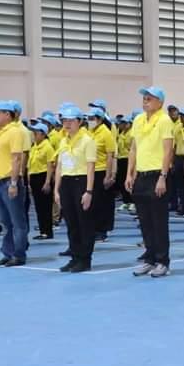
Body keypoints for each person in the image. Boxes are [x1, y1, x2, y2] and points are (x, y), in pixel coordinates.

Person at [128, 87, 175, 278]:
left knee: (158, 221)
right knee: (144, 221)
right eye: (144, 98)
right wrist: (129, 174)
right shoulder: (138, 120)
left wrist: (163, 176)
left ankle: (163, 261)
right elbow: (133, 148)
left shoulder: (164, 120)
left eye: (150, 98)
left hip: (157, 175)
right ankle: (150, 259)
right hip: (141, 174)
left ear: (160, 102)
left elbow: (168, 150)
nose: (145, 101)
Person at [54, 107, 97, 273]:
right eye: (64, 120)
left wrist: (89, 191)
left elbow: (91, 167)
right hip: (66, 182)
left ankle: (85, 260)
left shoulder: (87, 140)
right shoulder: (63, 141)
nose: (67, 124)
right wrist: (57, 190)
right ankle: (75, 257)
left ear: (79, 122)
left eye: (71, 120)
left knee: (84, 223)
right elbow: (59, 166)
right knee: (71, 223)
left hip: (81, 181)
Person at [0, 100, 28, 267]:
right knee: (4, 221)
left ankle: (18, 254)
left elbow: (16, 158)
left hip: (8, 182)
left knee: (17, 222)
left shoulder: (14, 132)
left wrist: (14, 182)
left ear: (7, 114)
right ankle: (8, 252)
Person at [85, 108, 117, 242]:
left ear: (99, 119)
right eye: (89, 118)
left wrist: (108, 175)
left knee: (101, 202)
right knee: (92, 202)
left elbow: (110, 156)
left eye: (92, 118)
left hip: (101, 170)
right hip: (90, 170)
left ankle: (102, 230)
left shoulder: (106, 133)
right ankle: (93, 228)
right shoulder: (89, 132)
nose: (90, 121)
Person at [28, 123, 56, 242]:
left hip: (43, 177)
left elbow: (50, 165)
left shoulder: (47, 147)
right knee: (38, 206)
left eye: (36, 132)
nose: (34, 135)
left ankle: (47, 231)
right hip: (34, 177)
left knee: (45, 206)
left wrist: (47, 182)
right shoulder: (34, 146)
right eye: (33, 132)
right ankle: (42, 230)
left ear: (43, 134)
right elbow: (30, 165)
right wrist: (29, 181)